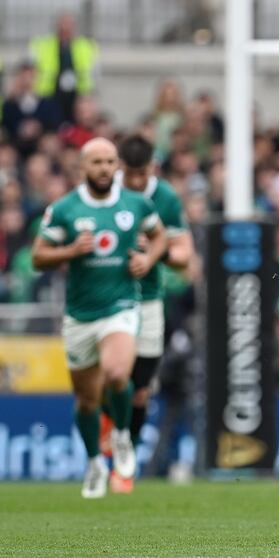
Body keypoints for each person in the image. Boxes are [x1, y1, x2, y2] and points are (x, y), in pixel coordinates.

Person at [31, 137, 167, 498]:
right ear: (83, 168)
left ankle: (122, 435)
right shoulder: (65, 209)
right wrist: (70, 251)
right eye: (97, 163)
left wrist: (148, 259)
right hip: (79, 315)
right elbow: (38, 256)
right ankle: (94, 463)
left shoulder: (135, 204)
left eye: (110, 162)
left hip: (121, 307)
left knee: (119, 373)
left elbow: (159, 236)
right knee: (87, 400)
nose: (105, 169)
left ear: (117, 166)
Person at [98, 134, 193, 493]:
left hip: (150, 299)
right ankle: (109, 416)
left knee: (140, 392)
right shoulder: (103, 194)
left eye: (142, 173)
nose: (136, 181)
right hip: (108, 297)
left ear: (151, 167)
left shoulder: (165, 198)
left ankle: (125, 464)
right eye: (130, 174)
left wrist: (155, 251)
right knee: (114, 373)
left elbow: (184, 256)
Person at [29, 12, 98, 124]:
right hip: (50, 96)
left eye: (68, 25)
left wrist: (89, 96)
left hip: (78, 96)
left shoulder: (86, 46)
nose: (65, 29)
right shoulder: (43, 45)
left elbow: (94, 74)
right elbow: (31, 72)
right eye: (62, 25)